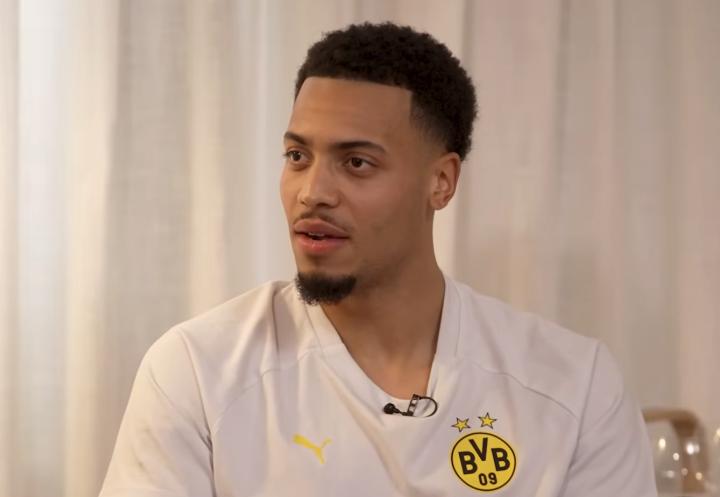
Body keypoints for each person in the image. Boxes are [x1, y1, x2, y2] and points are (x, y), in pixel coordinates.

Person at [99, 22, 657, 497]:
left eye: (357, 163)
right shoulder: (197, 373)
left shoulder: (574, 388)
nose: (312, 192)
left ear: (441, 181)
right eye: (297, 155)